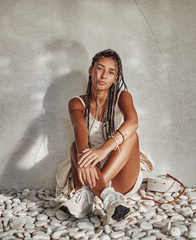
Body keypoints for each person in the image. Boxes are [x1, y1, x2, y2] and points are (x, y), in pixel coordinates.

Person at [57, 49, 146, 223]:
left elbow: (133, 122)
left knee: (132, 136)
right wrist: (85, 154)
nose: (104, 75)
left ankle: (87, 195)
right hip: (90, 170)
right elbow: (79, 127)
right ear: (91, 70)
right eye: (100, 68)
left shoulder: (122, 96)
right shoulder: (77, 102)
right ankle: (108, 198)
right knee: (76, 147)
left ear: (115, 78)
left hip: (121, 172)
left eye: (111, 72)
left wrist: (103, 151)